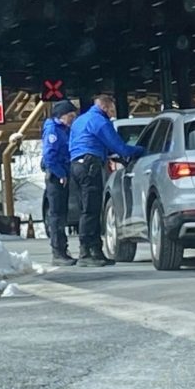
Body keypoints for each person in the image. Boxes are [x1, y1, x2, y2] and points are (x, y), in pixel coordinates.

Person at [69, 95, 145, 267]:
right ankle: (87, 252)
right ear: (104, 107)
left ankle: (94, 251)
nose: (112, 114)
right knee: (92, 210)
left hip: (76, 165)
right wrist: (141, 150)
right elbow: (120, 147)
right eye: (111, 110)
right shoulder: (100, 121)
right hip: (90, 166)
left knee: (86, 210)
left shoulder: (80, 121)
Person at [42, 100, 78, 267]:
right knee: (57, 215)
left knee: (61, 214)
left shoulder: (64, 129)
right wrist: (61, 173)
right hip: (57, 177)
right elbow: (50, 156)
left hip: (62, 173)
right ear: (62, 115)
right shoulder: (53, 130)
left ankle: (62, 250)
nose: (73, 118)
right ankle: (58, 251)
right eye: (70, 115)